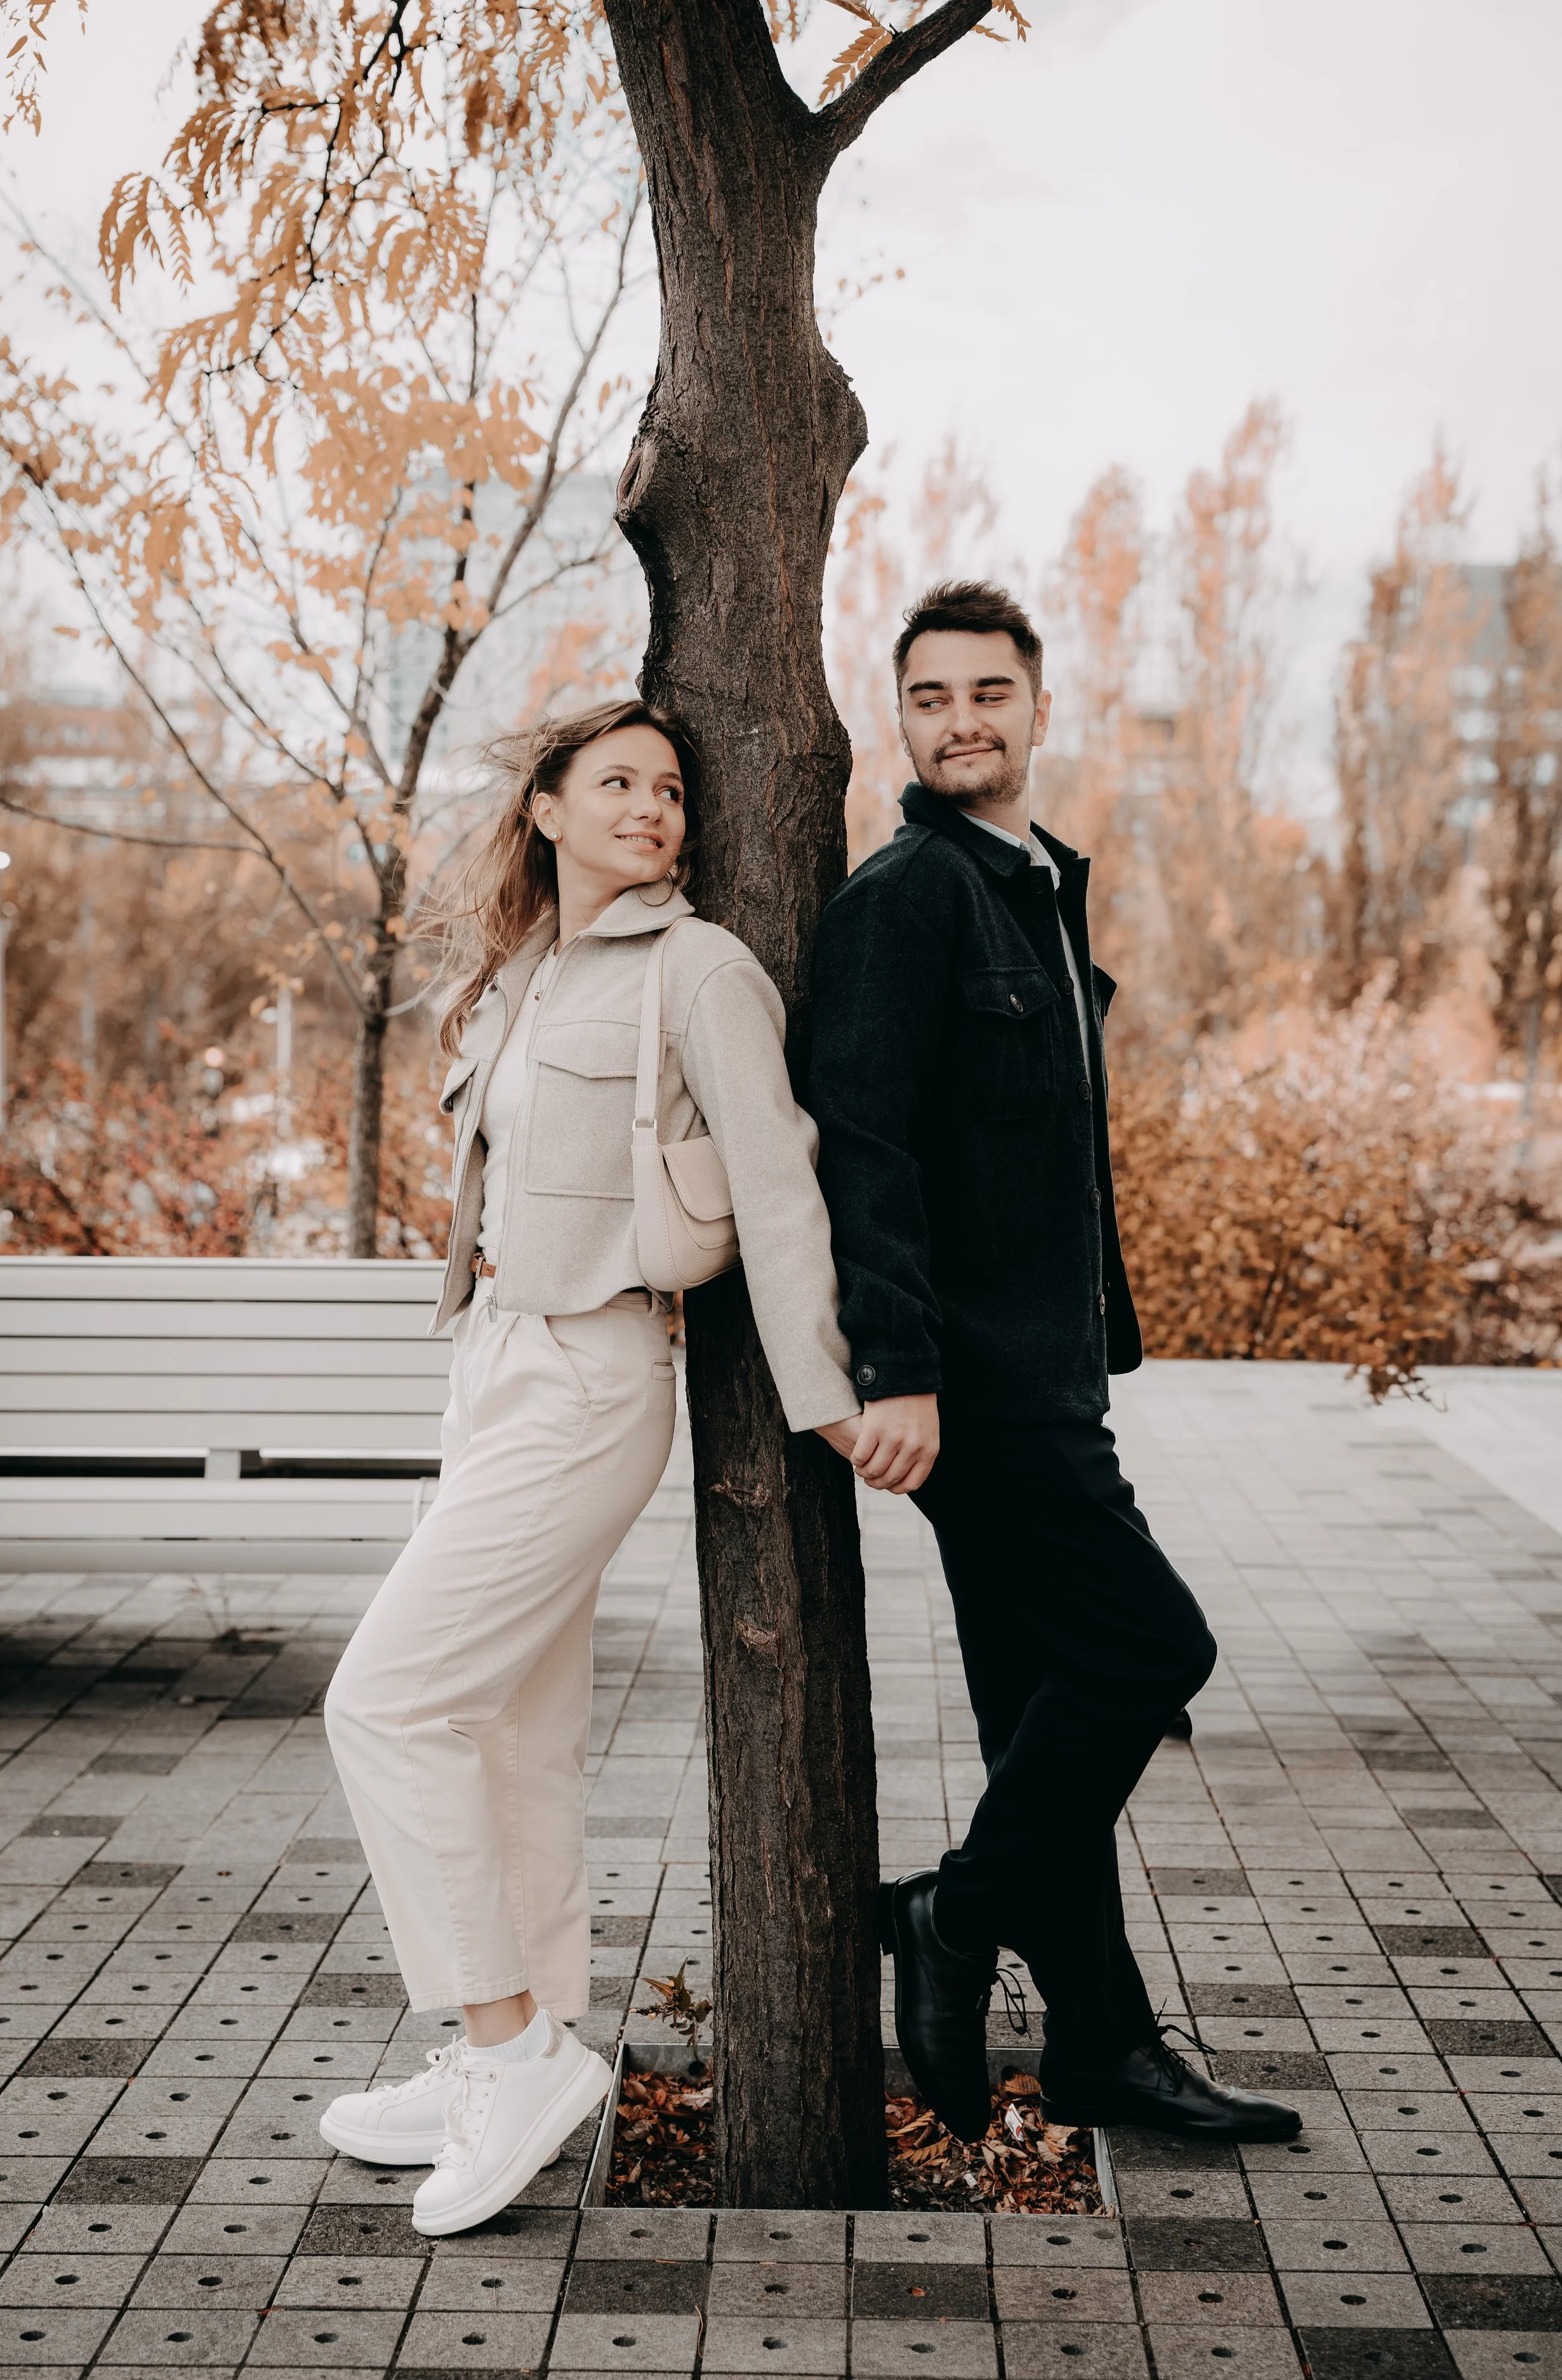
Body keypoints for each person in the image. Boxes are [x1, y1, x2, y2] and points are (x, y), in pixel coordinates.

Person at [319, 698, 861, 2234]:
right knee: (507, 1730)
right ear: (546, 810)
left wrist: (827, 1393)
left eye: (670, 790)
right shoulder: (522, 973)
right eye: (615, 782)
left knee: (386, 1701)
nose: (651, 808)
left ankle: (510, 2051)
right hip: (494, 1362)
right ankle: (508, 2045)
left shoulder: (698, 969)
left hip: (594, 1373)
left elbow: (777, 1182)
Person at [804, 580, 1300, 2145]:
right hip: (978, 1390)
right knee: (1151, 1651)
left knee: (1039, 1719)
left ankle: (1098, 2046)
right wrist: (896, 1367)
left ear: (1035, 706)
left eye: (986, 693)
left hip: (1049, 1372)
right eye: (928, 697)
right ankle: (948, 1920)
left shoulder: (1032, 886)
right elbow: (861, 1146)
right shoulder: (904, 898)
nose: (958, 721)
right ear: (900, 722)